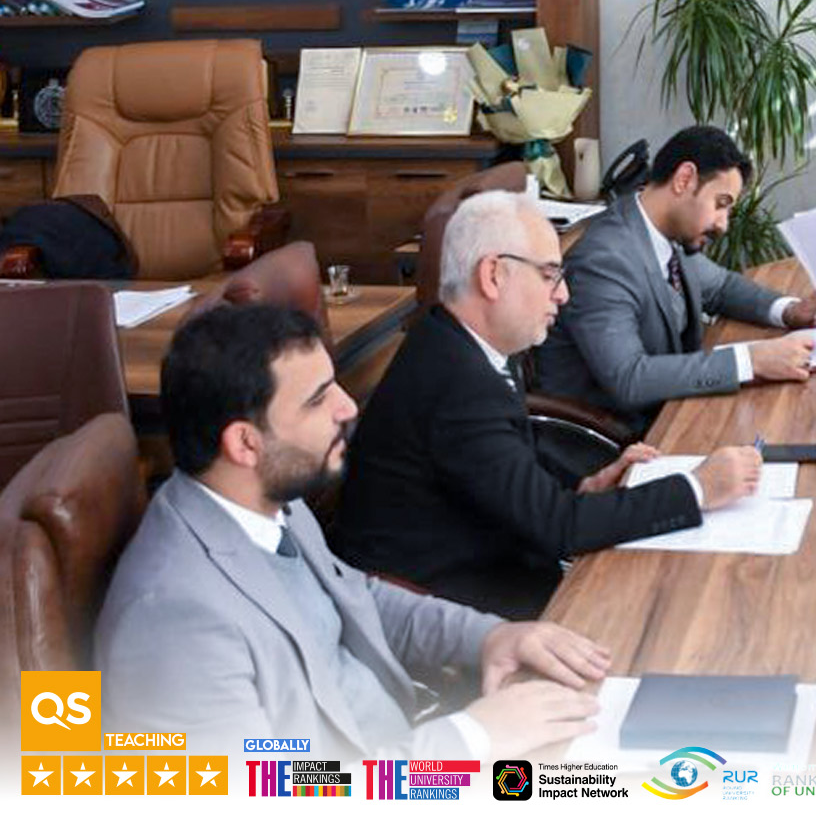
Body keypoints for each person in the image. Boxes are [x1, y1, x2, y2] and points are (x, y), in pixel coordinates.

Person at [96, 305, 607, 759]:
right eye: (317, 399)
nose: (347, 407)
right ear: (246, 444)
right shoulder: (174, 621)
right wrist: (471, 743)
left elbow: (356, 597)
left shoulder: (268, 500)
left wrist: (489, 637)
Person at [334, 190, 763, 619]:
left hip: (493, 558)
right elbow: (560, 528)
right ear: (493, 275)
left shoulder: (458, 341)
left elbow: (504, 474)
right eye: (550, 275)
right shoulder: (457, 384)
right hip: (451, 609)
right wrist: (698, 489)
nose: (563, 294)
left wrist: (584, 486)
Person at [536, 125, 816, 433]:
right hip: (612, 439)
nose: (723, 225)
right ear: (684, 179)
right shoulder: (605, 260)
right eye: (721, 204)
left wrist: (789, 311)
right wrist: (751, 361)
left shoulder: (666, 233)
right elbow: (629, 378)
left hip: (668, 415)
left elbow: (722, 287)